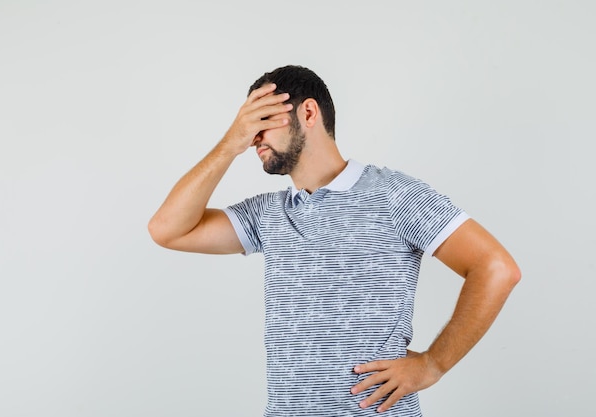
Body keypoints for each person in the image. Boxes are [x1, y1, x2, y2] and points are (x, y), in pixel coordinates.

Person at [148, 65, 521, 416]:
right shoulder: (268, 213)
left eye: (261, 122)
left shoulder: (393, 194)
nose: (253, 140)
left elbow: (496, 267)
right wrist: (229, 143)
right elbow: (168, 229)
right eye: (247, 128)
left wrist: (433, 364)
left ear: (308, 114)